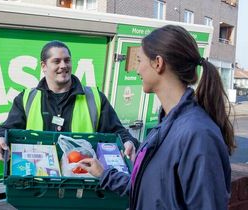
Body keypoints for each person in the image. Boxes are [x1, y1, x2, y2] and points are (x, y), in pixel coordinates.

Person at [79, 25, 236, 210]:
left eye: (139, 60)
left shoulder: (197, 134)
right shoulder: (167, 126)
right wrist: (105, 174)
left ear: (158, 63)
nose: (137, 70)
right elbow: (152, 194)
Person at [0, 40, 139, 161]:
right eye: (57, 61)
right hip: (39, 186)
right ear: (44, 66)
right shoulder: (27, 98)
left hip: (81, 184)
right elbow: (5, 130)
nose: (63, 66)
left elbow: (118, 132)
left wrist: (129, 142)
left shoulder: (95, 97)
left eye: (67, 60)